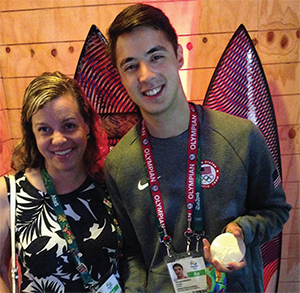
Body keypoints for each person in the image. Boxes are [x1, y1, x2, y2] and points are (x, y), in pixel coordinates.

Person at [104, 3, 291, 293]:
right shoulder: (119, 164)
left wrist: (243, 232)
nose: (146, 75)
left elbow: (275, 210)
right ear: (120, 75)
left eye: (156, 56)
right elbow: (132, 252)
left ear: (178, 56)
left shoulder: (240, 137)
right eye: (131, 65)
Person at [0, 72, 122, 293]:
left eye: (68, 125)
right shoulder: (10, 193)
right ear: (32, 134)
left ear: (86, 125)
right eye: (45, 129)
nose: (58, 139)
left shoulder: (108, 183)